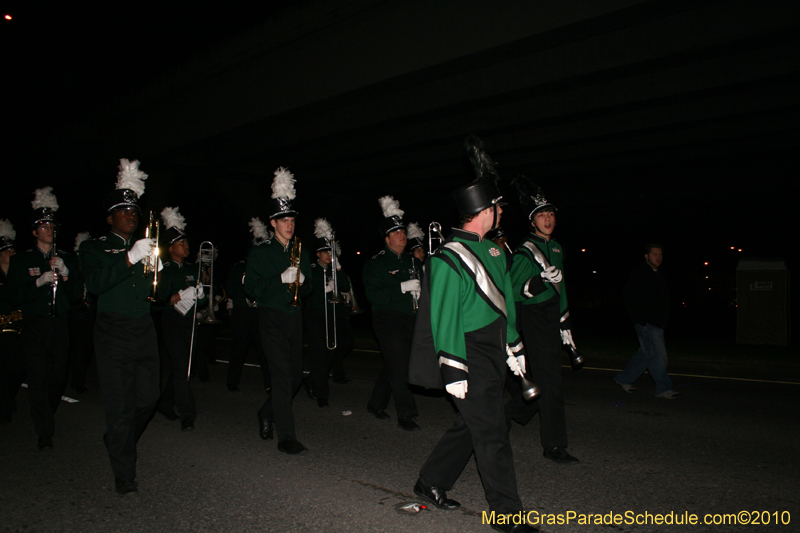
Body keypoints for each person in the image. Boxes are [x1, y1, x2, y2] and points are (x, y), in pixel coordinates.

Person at [409, 135, 538, 533]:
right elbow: (444, 315)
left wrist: (514, 346)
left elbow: (505, 304)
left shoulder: (497, 250)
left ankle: (430, 481)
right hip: (465, 351)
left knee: (475, 423)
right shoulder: (448, 257)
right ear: (485, 210)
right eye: (498, 207)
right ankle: (507, 514)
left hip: (493, 346)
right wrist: (453, 368)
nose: (502, 212)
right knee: (492, 432)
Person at [79, 159, 160, 495]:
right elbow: (96, 284)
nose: (131, 214)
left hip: (144, 328)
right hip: (112, 331)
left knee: (148, 399)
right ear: (110, 217)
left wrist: (176, 284)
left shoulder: (147, 247)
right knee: (120, 406)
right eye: (123, 210)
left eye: (134, 210)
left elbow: (158, 289)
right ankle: (124, 474)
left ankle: (116, 439)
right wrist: (129, 258)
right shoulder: (94, 248)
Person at [504, 178, 580, 465]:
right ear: (532, 221)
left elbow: (562, 290)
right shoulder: (525, 250)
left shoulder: (558, 248)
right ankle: (554, 445)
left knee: (548, 382)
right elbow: (512, 291)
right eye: (541, 215)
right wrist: (538, 280)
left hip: (551, 316)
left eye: (550, 214)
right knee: (551, 383)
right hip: (533, 318)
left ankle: (508, 414)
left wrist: (566, 325)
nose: (547, 219)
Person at [7, 187, 82, 450]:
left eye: (52, 225)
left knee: (57, 378)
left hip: (59, 323)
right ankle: (44, 430)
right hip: (34, 324)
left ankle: (45, 414)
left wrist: (66, 275)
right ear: (35, 231)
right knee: (38, 377)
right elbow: (14, 297)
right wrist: (38, 282)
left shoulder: (67, 259)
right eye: (44, 225)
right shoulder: (21, 261)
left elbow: (75, 297)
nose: (50, 229)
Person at [245, 167, 312, 455]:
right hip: (271, 317)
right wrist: (279, 280)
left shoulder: (301, 250)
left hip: (294, 318)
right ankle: (286, 438)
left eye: (292, 219)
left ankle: (266, 412)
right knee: (282, 378)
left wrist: (305, 283)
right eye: (283, 220)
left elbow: (307, 291)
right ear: (273, 223)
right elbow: (252, 288)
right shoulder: (261, 252)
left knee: (295, 376)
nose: (289, 224)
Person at [363, 196, 421, 431]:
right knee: (400, 366)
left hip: (410, 318)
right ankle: (406, 413)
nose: (402, 236)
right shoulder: (375, 264)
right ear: (387, 239)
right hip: (387, 319)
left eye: (403, 232)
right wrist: (401, 287)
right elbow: (374, 296)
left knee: (393, 364)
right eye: (396, 233)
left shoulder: (413, 261)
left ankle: (376, 403)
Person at [154, 207, 206, 431]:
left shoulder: (194, 269)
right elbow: (157, 299)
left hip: (190, 322)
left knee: (184, 367)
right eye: (181, 244)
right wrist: (175, 297)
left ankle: (164, 402)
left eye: (186, 243)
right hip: (172, 321)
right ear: (171, 248)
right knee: (181, 368)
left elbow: (202, 302)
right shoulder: (165, 269)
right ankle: (188, 414)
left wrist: (201, 297)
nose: (186, 247)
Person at [615, 244, 679, 399]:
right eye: (655, 254)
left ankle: (624, 378)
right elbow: (629, 297)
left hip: (658, 323)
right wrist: (640, 319)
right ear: (647, 256)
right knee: (659, 356)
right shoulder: (640, 274)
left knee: (646, 354)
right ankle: (663, 388)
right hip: (647, 324)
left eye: (660, 254)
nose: (658, 257)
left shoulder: (659, 275)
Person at [305, 218, 354, 407]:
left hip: (336, 315)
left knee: (344, 346)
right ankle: (321, 395)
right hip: (318, 316)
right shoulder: (312, 270)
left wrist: (338, 268)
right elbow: (308, 293)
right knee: (321, 357)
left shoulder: (335, 269)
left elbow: (344, 287)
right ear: (318, 254)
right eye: (325, 251)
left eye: (330, 251)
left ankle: (312, 380)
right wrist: (323, 289)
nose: (329, 255)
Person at [225, 220, 273, 393]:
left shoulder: (267, 268)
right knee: (239, 348)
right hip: (243, 312)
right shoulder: (239, 268)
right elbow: (231, 288)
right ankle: (232, 381)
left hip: (260, 313)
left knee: (265, 350)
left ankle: (269, 384)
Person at [0, 220, 25, 424]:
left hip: (19, 329)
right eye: (6, 251)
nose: (11, 253)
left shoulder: (19, 276)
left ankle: (8, 397)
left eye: (12, 250)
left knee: (18, 370)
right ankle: (5, 405)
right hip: (1, 330)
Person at [68, 232, 95, 395]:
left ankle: (81, 376)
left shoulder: (91, 271)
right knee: (77, 349)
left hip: (90, 314)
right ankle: (77, 381)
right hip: (75, 314)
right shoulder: (72, 272)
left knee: (87, 350)